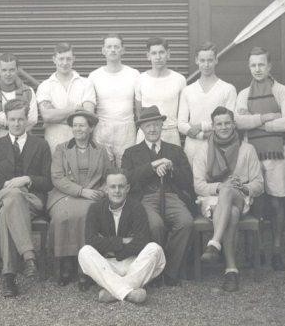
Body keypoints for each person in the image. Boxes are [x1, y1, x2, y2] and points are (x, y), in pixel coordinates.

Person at [0, 99, 52, 297]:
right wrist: (6, 183)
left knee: (9, 207)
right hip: (3, 194)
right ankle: (28, 255)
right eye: (12, 120)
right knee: (12, 196)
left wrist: (26, 179)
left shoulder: (41, 145)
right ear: (6, 121)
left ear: (27, 120)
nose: (16, 124)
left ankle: (8, 277)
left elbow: (49, 182)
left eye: (21, 119)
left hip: (32, 200)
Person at [235, 46, 285, 271]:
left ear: (269, 66)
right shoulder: (243, 94)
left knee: (276, 200)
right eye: (253, 65)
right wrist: (269, 118)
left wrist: (256, 121)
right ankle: (256, 249)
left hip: (276, 153)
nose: (257, 69)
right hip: (251, 152)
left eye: (261, 64)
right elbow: (238, 122)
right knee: (255, 201)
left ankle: (277, 250)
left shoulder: (283, 91)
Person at [193, 106, 264, 292]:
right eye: (219, 124)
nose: (223, 127)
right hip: (212, 200)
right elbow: (198, 185)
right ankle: (231, 270)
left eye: (227, 123)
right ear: (213, 127)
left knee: (230, 190)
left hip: (241, 198)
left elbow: (259, 184)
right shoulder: (203, 150)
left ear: (233, 125)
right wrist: (219, 187)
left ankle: (214, 242)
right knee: (230, 210)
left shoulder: (247, 149)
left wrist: (243, 186)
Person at [122, 106, 193, 286]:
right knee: (155, 225)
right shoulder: (131, 153)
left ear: (162, 126)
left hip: (171, 196)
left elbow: (187, 181)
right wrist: (153, 166)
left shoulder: (175, 151)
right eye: (148, 126)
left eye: (156, 124)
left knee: (186, 222)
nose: (152, 129)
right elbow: (127, 180)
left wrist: (171, 168)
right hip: (145, 199)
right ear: (141, 129)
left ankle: (170, 270)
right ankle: (154, 270)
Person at [47, 108, 113, 287]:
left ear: (90, 128)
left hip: (93, 195)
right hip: (64, 195)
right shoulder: (61, 149)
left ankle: (83, 268)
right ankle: (64, 263)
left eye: (82, 125)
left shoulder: (100, 150)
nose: (78, 129)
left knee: (87, 215)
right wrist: (81, 191)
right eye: (75, 126)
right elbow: (57, 177)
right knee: (62, 217)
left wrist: (104, 190)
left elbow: (110, 175)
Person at [78, 169, 165, 304]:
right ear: (106, 189)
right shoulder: (95, 209)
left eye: (121, 186)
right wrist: (122, 241)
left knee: (155, 249)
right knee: (84, 252)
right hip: (107, 264)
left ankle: (113, 291)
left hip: (132, 263)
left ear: (127, 188)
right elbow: (91, 240)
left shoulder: (137, 207)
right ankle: (130, 293)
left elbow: (142, 241)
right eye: (113, 187)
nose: (117, 191)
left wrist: (113, 249)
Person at [178, 41, 237, 165]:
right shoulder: (187, 90)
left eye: (210, 60)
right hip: (193, 147)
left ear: (216, 60)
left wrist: (200, 126)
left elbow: (230, 122)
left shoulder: (228, 89)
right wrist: (202, 136)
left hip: (219, 145)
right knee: (194, 183)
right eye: (202, 60)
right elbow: (181, 124)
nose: (206, 65)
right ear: (196, 61)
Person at [88, 33, 140, 167]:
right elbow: (89, 107)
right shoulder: (94, 76)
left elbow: (139, 105)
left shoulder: (133, 74)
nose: (113, 50)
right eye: (109, 46)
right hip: (102, 128)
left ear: (123, 50)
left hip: (127, 129)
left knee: (126, 170)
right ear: (103, 50)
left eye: (116, 46)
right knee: (103, 171)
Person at [36, 43, 95, 153]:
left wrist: (57, 115)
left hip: (81, 143)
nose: (65, 63)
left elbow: (88, 115)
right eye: (61, 58)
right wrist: (75, 109)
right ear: (54, 59)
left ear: (74, 59)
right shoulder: (45, 86)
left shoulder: (86, 83)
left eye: (68, 59)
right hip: (53, 142)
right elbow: (47, 116)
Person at [135, 37, 186, 146]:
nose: (158, 57)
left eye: (161, 52)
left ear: (168, 54)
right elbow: (139, 111)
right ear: (148, 56)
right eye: (154, 53)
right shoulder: (140, 79)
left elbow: (182, 112)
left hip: (170, 133)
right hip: (146, 134)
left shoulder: (179, 79)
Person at [0, 53, 38, 138]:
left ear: (17, 70)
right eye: (4, 70)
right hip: (1, 139)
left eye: (11, 70)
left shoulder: (28, 91)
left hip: (24, 138)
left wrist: (4, 118)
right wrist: (21, 117)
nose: (8, 74)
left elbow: (33, 119)